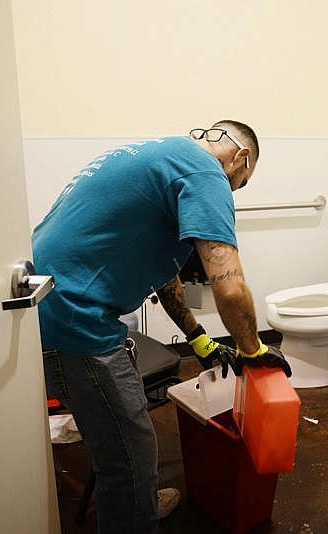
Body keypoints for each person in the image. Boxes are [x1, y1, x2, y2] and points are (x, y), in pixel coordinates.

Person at [32, 120, 292, 534]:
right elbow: (229, 283)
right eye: (242, 183)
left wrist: (198, 337)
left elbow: (164, 270)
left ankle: (137, 503)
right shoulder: (207, 174)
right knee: (131, 458)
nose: (235, 190)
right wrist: (252, 350)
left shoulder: (165, 154)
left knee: (119, 441)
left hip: (42, 301)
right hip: (75, 317)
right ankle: (135, 509)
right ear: (242, 158)